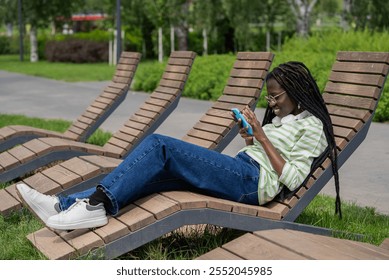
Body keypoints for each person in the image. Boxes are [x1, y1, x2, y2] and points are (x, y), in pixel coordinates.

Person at [16, 61, 341, 231]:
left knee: (160, 146)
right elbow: (269, 153)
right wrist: (251, 136)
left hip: (251, 182)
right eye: (268, 96)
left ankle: (90, 208)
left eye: (276, 96)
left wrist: (263, 136)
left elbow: (294, 178)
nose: (270, 102)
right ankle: (66, 205)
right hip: (244, 170)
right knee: (152, 175)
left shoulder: (313, 127)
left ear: (297, 91)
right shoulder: (285, 120)